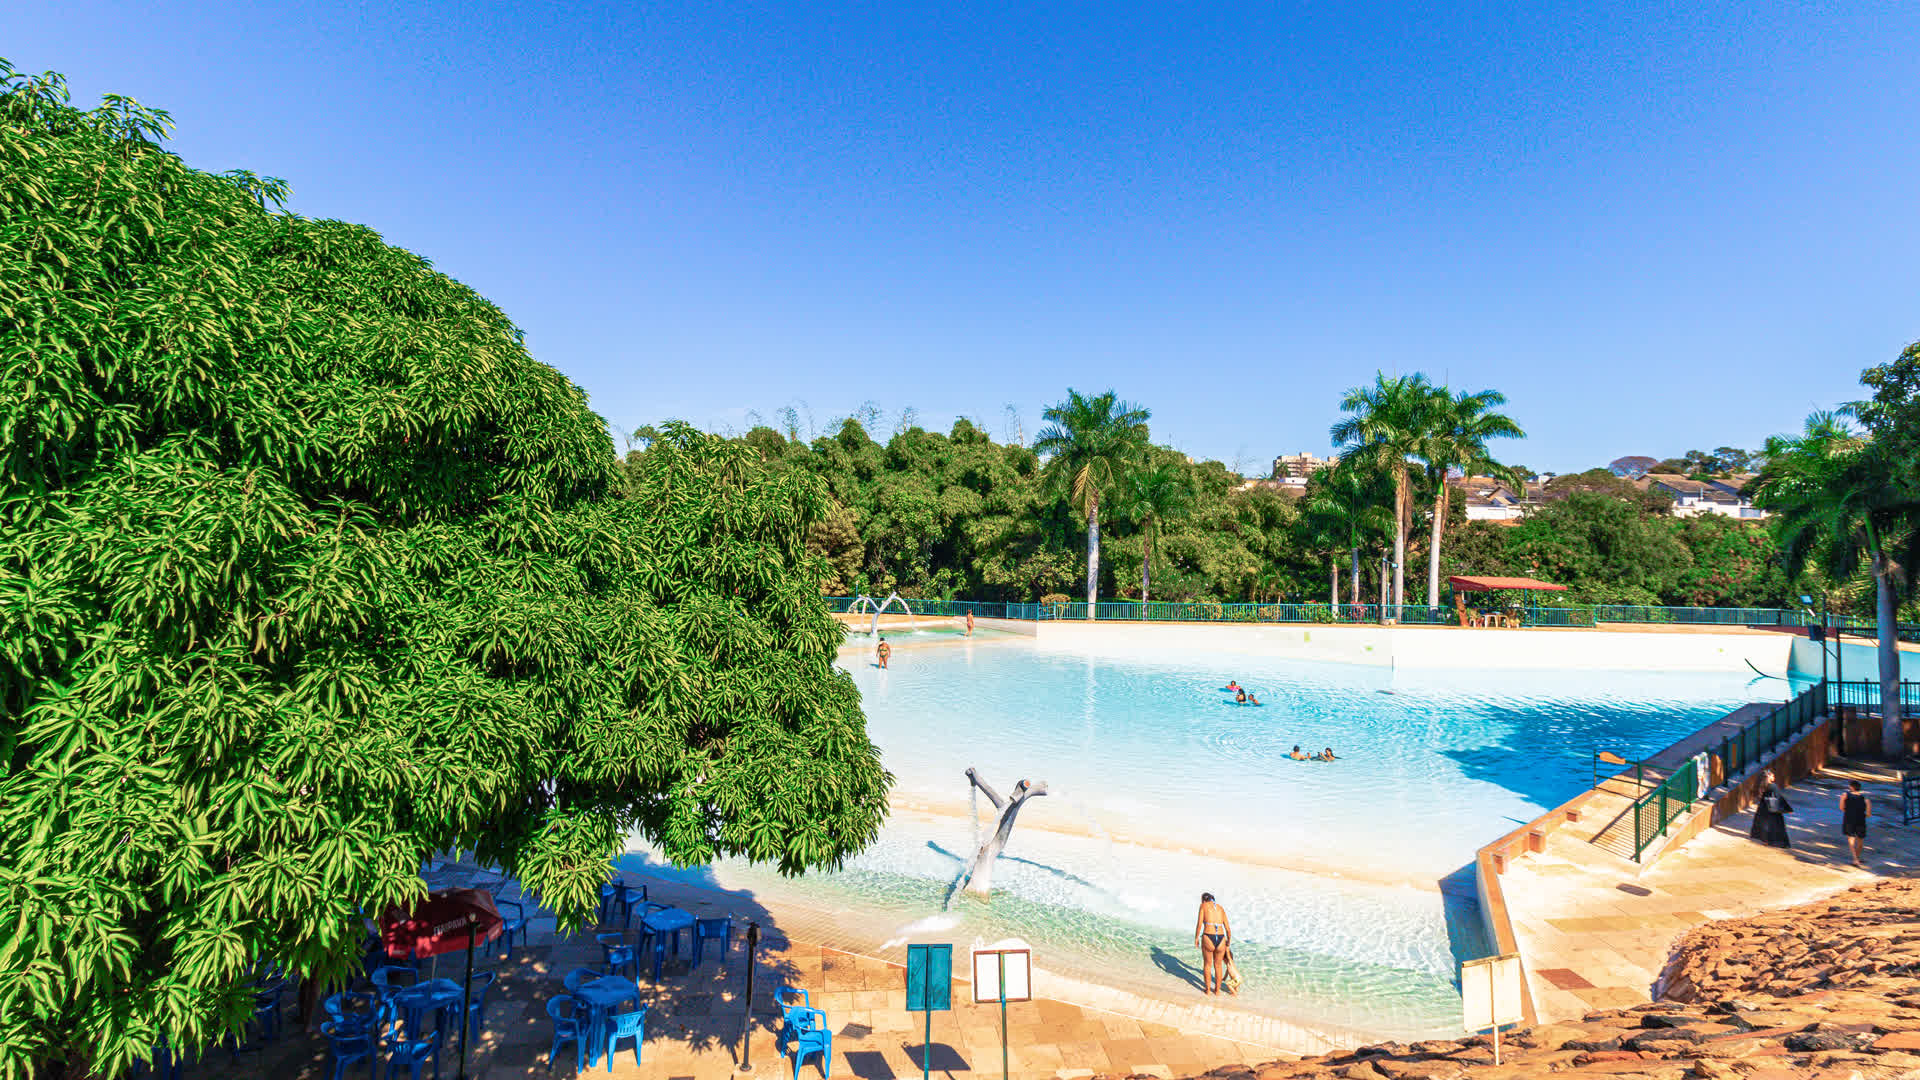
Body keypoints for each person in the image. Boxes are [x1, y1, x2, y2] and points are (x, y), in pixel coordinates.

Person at [1193, 893, 1231, 995]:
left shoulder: (1203, 906)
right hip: (1221, 938)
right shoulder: (1221, 908)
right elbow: (1228, 928)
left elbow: (1199, 923)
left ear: (1203, 900)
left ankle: (1208, 990)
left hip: (1208, 936)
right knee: (1218, 965)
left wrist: (1196, 937)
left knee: (1207, 965)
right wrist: (1228, 940)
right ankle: (1217, 991)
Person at [1748, 770, 1792, 849]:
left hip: (1763, 808)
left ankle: (1766, 840)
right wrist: (1787, 808)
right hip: (1773, 809)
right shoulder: (1773, 786)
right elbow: (1779, 797)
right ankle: (1778, 842)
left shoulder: (1762, 786)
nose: (1774, 777)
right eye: (1772, 775)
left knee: (1765, 825)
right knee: (1776, 825)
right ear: (1768, 777)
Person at [1840, 780, 1870, 866]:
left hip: (1849, 818)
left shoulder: (1845, 795)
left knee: (1851, 839)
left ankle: (1855, 859)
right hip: (1861, 820)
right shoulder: (1866, 799)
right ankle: (1857, 858)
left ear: (1851, 787)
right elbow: (1868, 813)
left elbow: (1841, 807)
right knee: (1860, 840)